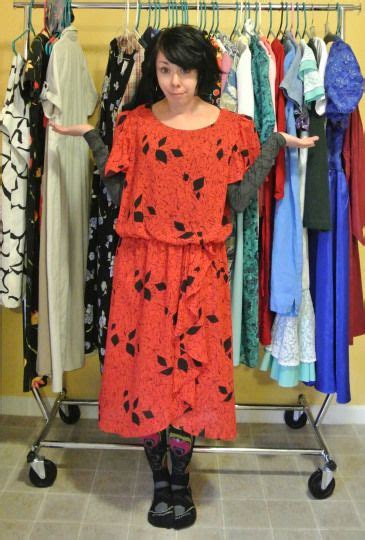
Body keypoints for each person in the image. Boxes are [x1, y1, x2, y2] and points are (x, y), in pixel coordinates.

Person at [50, 25, 318, 530]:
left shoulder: (232, 129)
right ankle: (161, 484)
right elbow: (115, 196)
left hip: (202, 270)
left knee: (191, 379)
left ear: (201, 70)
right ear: (155, 72)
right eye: (165, 71)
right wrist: (90, 136)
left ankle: (183, 479)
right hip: (142, 270)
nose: (175, 82)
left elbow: (237, 202)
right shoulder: (135, 126)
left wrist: (274, 145)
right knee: (149, 379)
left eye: (185, 70)